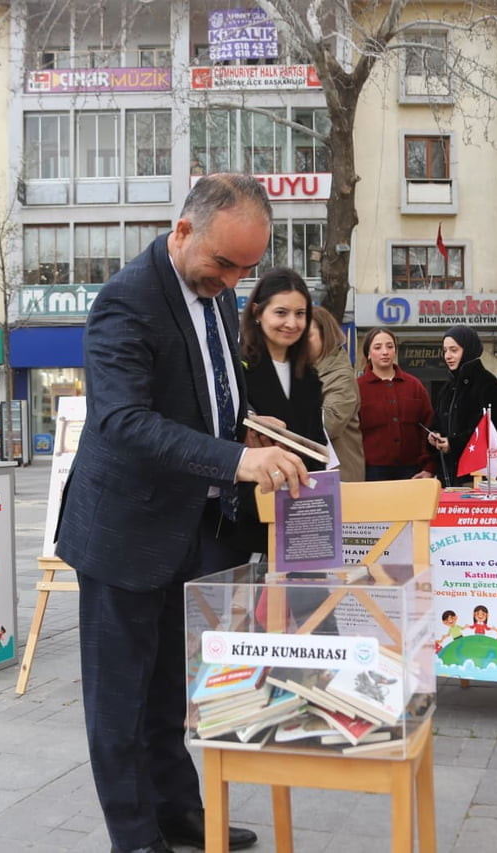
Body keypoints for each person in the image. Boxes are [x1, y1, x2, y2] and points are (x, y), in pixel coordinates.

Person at [54, 173, 309, 853]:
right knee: (121, 700)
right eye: (224, 263)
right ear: (183, 228)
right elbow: (124, 419)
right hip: (123, 531)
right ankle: (135, 837)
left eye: (247, 269)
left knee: (170, 690)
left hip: (187, 532)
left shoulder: (220, 298)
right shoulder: (124, 302)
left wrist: (248, 429)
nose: (232, 280)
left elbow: (200, 397)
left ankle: (179, 814)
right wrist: (235, 463)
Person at [234, 267, 329, 555]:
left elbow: (317, 445)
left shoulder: (309, 376)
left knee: (304, 598)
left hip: (302, 510)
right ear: (257, 312)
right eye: (281, 312)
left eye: (300, 314)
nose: (291, 322)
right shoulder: (236, 369)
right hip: (248, 512)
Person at [427, 325, 497, 486]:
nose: (448, 356)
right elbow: (437, 422)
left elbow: (492, 430)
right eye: (445, 350)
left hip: (479, 478)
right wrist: (434, 436)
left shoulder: (488, 385)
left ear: (468, 349)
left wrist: (454, 443)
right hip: (448, 476)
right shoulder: (447, 388)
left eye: (454, 350)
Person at [356, 327, 436, 480]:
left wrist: (429, 467)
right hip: (371, 474)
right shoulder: (357, 388)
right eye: (378, 347)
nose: (385, 352)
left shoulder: (414, 386)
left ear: (395, 350)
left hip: (412, 472)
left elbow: (428, 427)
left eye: (390, 346)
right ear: (368, 353)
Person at [307, 305, 364, 482]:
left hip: (340, 480)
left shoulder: (340, 375)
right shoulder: (305, 371)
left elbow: (328, 424)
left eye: (307, 336)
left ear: (326, 336)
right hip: (316, 476)